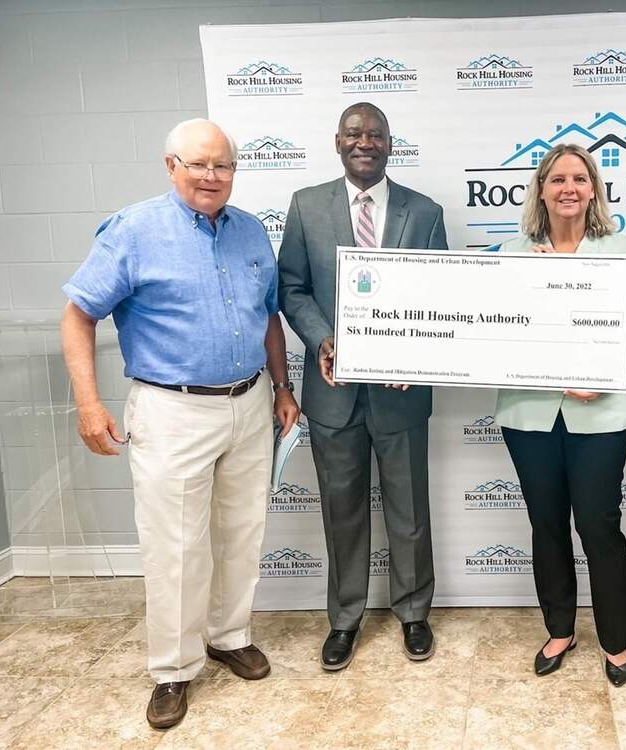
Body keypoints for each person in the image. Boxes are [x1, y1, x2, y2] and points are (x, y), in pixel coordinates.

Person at [61, 118, 299, 730]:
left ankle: (228, 635)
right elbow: (78, 315)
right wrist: (89, 405)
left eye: (222, 166)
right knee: (176, 547)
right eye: (198, 165)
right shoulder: (134, 230)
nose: (211, 176)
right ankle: (172, 668)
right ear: (171, 166)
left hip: (248, 403)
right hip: (172, 409)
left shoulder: (250, 232)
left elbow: (268, 316)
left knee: (241, 532)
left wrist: (282, 386)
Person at [278, 102, 448, 671]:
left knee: (409, 508)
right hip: (333, 391)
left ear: (390, 144)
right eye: (354, 134)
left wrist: (415, 351)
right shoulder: (306, 207)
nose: (364, 142)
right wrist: (324, 337)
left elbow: (439, 293)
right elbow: (292, 289)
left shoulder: (423, 212)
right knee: (342, 509)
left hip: (401, 390)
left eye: (375, 135)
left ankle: (414, 611)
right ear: (337, 142)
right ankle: (345, 619)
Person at [496, 144, 626, 687]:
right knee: (546, 523)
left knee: (598, 525)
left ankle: (616, 639)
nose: (569, 188)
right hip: (528, 415)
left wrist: (603, 372)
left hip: (600, 415)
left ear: (593, 190)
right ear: (541, 189)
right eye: (558, 178)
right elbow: (492, 331)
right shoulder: (511, 254)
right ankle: (560, 628)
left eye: (580, 179)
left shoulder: (619, 248)